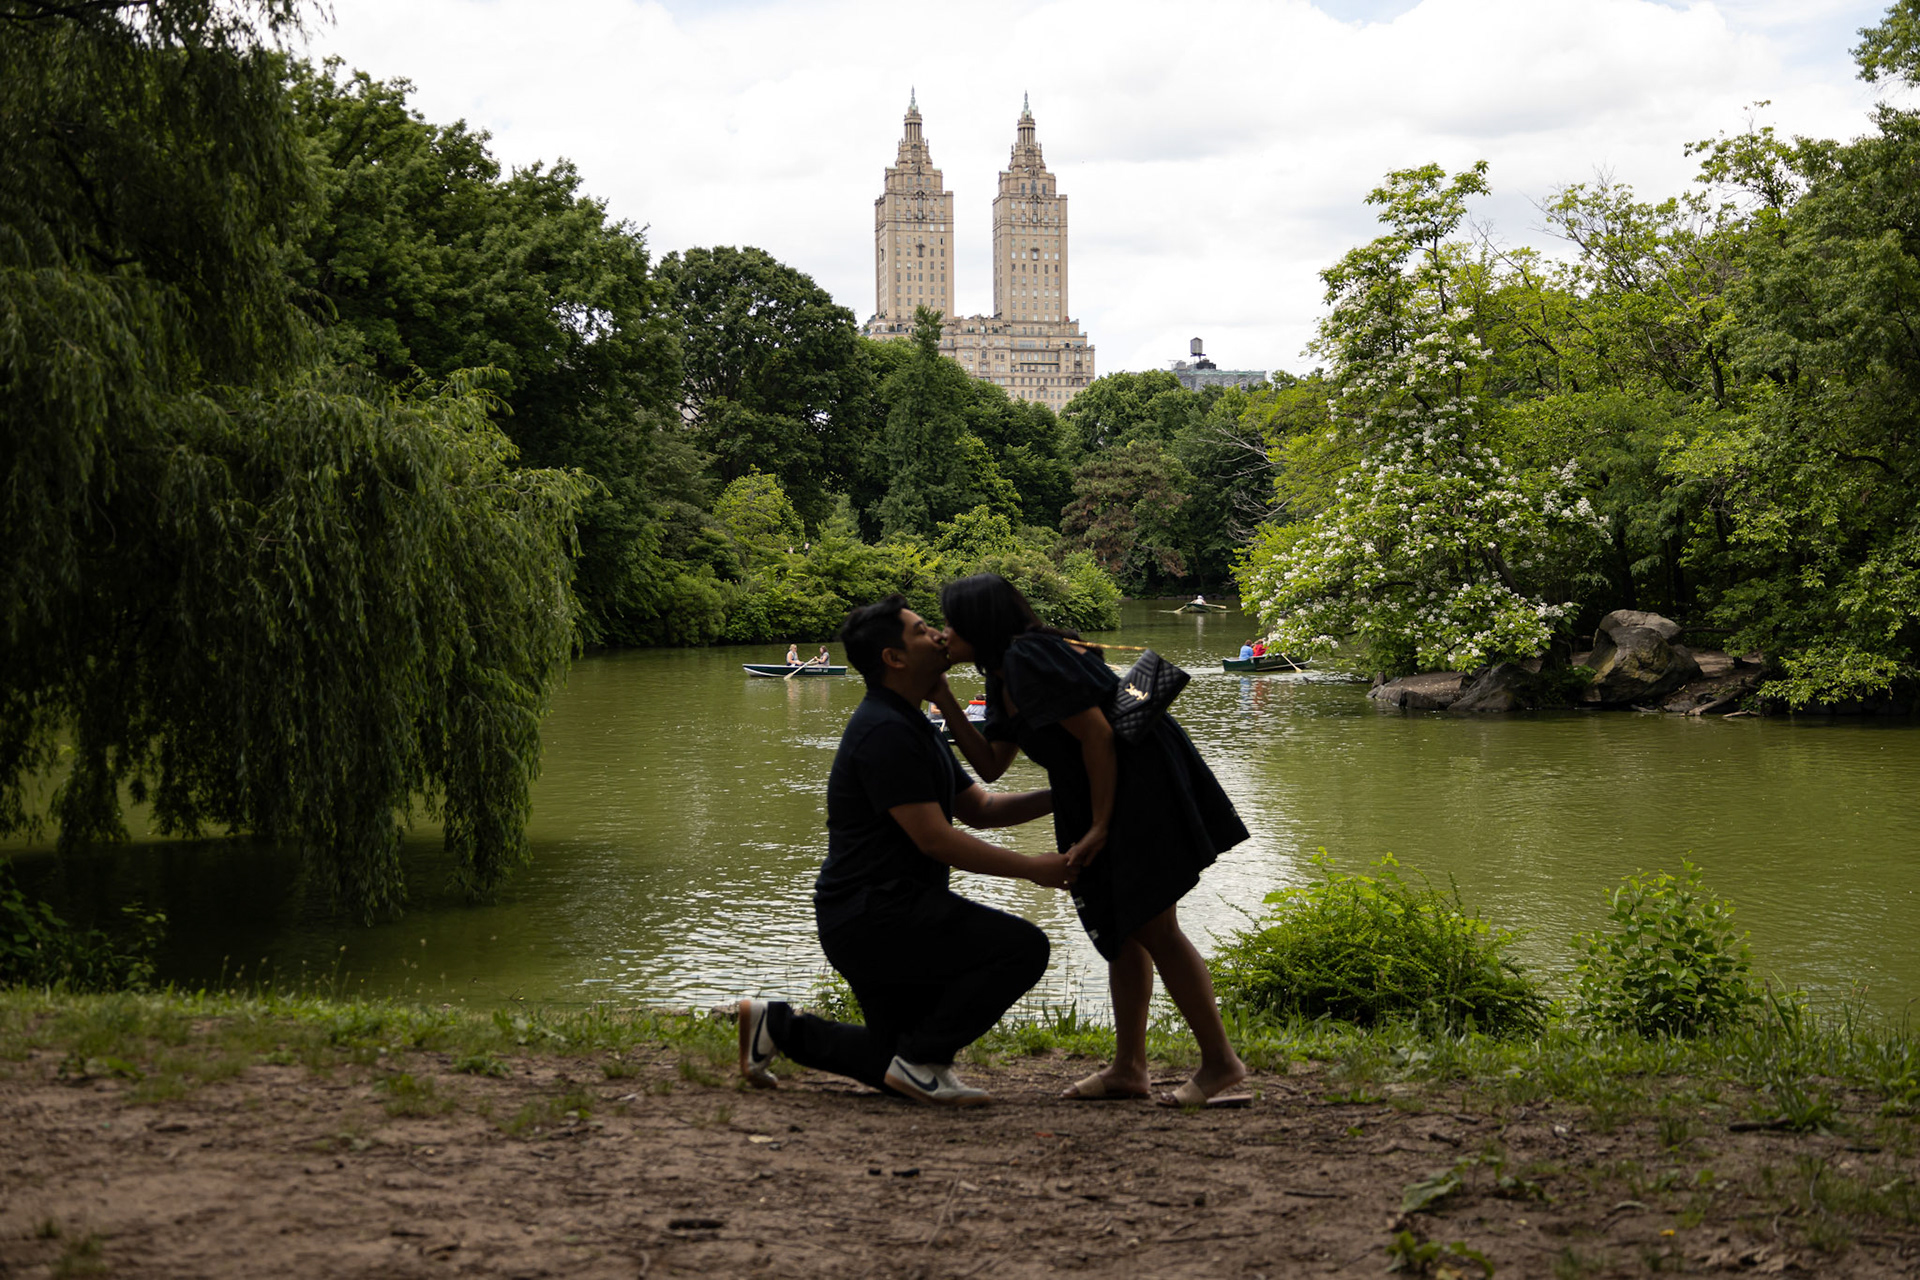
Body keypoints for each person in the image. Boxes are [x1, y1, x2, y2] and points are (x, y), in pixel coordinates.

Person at [737, 596, 1074, 1107]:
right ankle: (922, 1061)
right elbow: (935, 839)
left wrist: (1069, 793)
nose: (940, 636)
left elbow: (979, 808)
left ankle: (777, 1027)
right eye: (922, 631)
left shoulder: (913, 722)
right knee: (1023, 948)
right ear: (894, 658)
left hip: (878, 911)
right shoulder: (885, 731)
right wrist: (1035, 869)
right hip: (877, 914)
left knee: (889, 1054)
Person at [936, 573, 1252, 1108]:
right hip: (1101, 795)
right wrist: (942, 698)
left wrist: (1101, 825)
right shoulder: (1001, 672)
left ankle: (1221, 1062)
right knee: (1120, 924)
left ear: (977, 623)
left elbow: (1098, 735)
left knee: (1155, 924)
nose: (943, 632)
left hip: (1133, 789)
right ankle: (1129, 1068)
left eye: (949, 621)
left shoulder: (1029, 657)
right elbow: (991, 766)